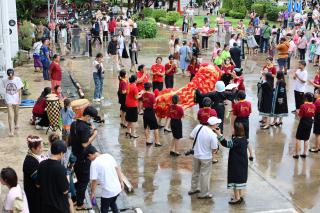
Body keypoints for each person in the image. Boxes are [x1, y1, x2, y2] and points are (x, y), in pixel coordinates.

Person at [70, 106, 98, 210]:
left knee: (78, 178)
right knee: (84, 181)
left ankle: (77, 199)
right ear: (87, 116)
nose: (91, 120)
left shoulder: (74, 123)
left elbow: (74, 139)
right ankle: (80, 204)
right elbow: (85, 144)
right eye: (91, 117)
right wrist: (94, 134)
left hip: (75, 155)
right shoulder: (85, 127)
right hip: (83, 158)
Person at [213, 122, 248, 205]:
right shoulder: (243, 139)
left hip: (236, 164)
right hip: (242, 163)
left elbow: (226, 144)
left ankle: (237, 198)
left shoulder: (236, 141)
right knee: (239, 181)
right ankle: (239, 195)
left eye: (233, 129)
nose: (231, 129)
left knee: (235, 181)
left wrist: (219, 134)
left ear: (236, 131)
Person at [188, 116, 219, 199]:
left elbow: (190, 137)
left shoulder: (199, 127)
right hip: (206, 157)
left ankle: (193, 189)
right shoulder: (213, 134)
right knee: (205, 175)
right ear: (214, 125)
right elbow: (214, 149)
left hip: (196, 155)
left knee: (195, 172)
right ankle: (204, 193)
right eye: (217, 124)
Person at [86, 146, 124, 213]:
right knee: (112, 203)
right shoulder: (108, 156)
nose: (90, 160)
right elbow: (117, 168)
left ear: (90, 155)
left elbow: (94, 181)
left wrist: (92, 193)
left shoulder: (94, 163)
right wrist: (121, 181)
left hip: (108, 191)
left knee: (104, 208)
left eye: (88, 158)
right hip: (117, 188)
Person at [36, 140, 69, 212]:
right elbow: (65, 191)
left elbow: (38, 185)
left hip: (45, 205)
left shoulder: (42, 164)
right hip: (59, 206)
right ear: (61, 153)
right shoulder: (61, 169)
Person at [23, 135, 44, 213]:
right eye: (40, 147)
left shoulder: (36, 156)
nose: (42, 149)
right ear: (33, 149)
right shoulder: (30, 162)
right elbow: (38, 183)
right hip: (33, 194)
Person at [232, 91, 254, 160]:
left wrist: (232, 125)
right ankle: (251, 154)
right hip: (246, 121)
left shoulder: (236, 105)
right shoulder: (249, 103)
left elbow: (234, 115)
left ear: (238, 97)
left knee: (237, 138)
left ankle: (238, 153)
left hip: (239, 122)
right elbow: (250, 112)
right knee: (246, 139)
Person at [293, 93, 316, 159]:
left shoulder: (303, 106)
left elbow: (300, 116)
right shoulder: (314, 106)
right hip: (310, 121)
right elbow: (313, 114)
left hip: (303, 121)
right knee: (306, 139)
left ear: (305, 98)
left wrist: (297, 112)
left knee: (298, 138)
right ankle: (305, 153)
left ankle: (296, 154)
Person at [2, 68, 23, 137]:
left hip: (16, 98)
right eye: (9, 76)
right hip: (9, 98)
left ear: (13, 74)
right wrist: (4, 98)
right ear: (8, 75)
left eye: (12, 75)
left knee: (16, 113)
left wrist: (20, 98)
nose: (10, 77)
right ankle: (11, 131)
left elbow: (19, 89)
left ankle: (16, 123)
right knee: (10, 115)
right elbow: (4, 89)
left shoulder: (17, 79)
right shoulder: (4, 80)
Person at [142, 82, 161, 146]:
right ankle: (157, 142)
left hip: (145, 112)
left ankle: (147, 140)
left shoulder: (143, 95)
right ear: (150, 88)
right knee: (156, 127)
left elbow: (142, 103)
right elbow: (154, 105)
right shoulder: (152, 95)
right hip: (151, 112)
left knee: (146, 127)